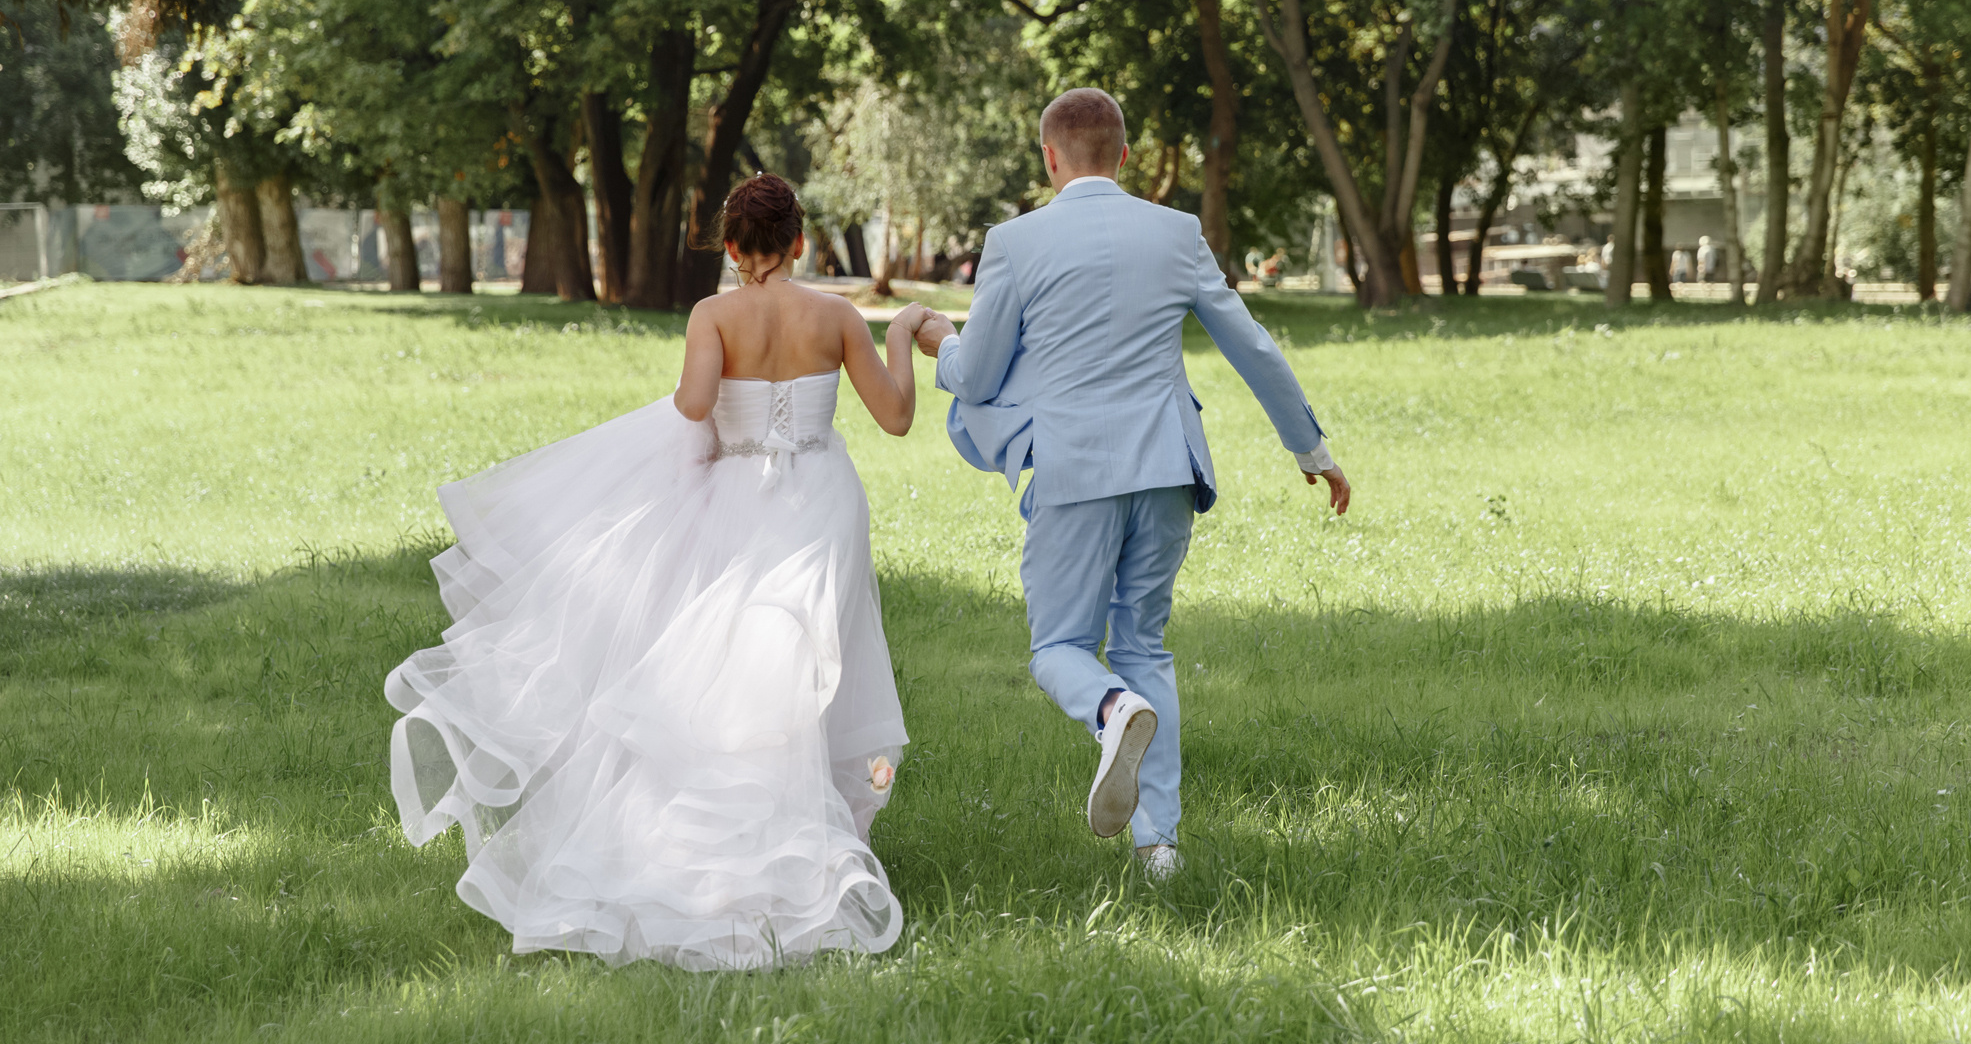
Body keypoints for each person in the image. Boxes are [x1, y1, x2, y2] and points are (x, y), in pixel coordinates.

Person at [383, 174, 930, 971]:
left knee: (735, 663)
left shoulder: (714, 314)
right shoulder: (838, 315)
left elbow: (695, 406)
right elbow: (897, 417)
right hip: (822, 503)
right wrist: (903, 335)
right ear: (801, 242)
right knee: (814, 656)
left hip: (739, 497)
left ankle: (740, 830)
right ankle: (813, 827)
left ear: (732, 248)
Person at [912, 88, 1350, 881]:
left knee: (1059, 647)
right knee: (1143, 645)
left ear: (1049, 158)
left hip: (1075, 468)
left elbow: (975, 376)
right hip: (1167, 466)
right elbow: (1250, 344)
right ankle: (1160, 847)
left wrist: (940, 342)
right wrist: (1311, 447)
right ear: (1124, 154)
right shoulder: (1176, 231)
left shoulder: (1014, 241)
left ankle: (1112, 710)